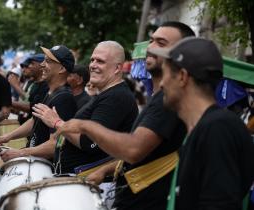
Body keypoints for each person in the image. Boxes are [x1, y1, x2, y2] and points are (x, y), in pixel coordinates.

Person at [53, 22, 195, 210]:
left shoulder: (168, 101)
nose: (151, 47)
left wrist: (85, 126)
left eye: (161, 43)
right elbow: (142, 151)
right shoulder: (158, 97)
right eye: (151, 41)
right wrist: (104, 170)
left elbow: (134, 149)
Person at [148, 37, 254, 209]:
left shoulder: (218, 129)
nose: (161, 84)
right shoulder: (203, 128)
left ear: (182, 77)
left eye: (165, 74)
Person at [32, 41, 138, 175]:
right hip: (75, 180)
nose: (93, 65)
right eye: (92, 60)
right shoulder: (107, 94)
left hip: (89, 185)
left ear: (117, 68)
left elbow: (88, 143)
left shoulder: (116, 97)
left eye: (100, 61)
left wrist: (57, 122)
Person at [0, 45, 77, 160]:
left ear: (61, 69)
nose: (42, 64)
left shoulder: (64, 99)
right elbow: (34, 120)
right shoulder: (50, 92)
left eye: (47, 61)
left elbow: (56, 145)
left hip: (43, 168)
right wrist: (7, 137)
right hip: (33, 159)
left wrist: (20, 153)